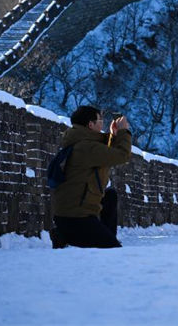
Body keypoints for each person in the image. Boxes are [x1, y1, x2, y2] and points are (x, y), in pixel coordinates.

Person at [50, 106, 132, 249]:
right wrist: (124, 132)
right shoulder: (86, 148)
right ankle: (64, 235)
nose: (102, 124)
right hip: (76, 218)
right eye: (100, 120)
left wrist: (113, 135)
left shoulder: (81, 143)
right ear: (90, 124)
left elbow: (104, 152)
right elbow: (122, 156)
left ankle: (70, 234)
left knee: (110, 196)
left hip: (71, 214)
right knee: (113, 248)